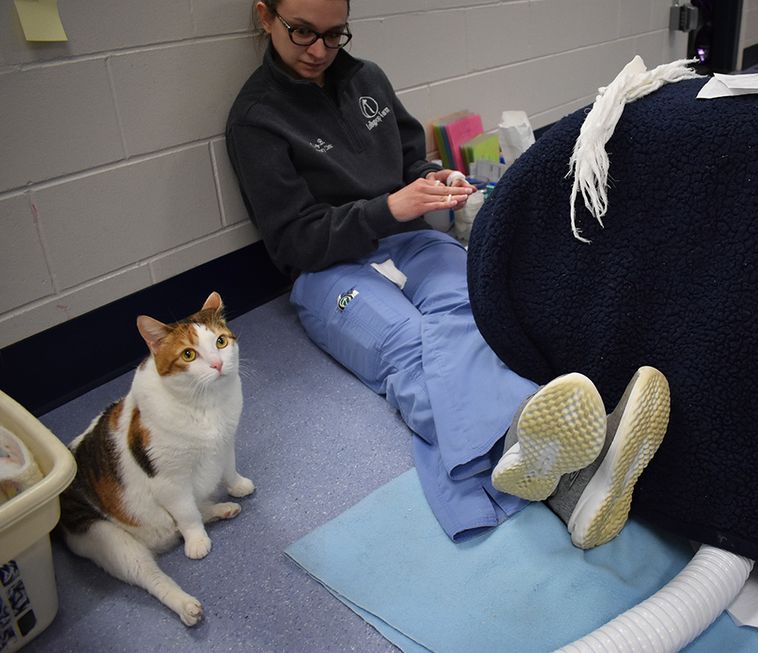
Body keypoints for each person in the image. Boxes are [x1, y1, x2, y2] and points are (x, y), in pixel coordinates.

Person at [226, 0, 670, 548]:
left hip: (407, 235)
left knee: (474, 310)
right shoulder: (256, 119)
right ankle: (559, 464)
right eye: (301, 33)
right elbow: (295, 238)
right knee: (408, 346)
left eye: (334, 34)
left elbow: (413, 161)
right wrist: (390, 208)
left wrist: (436, 181)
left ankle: (549, 454)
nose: (318, 50)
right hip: (325, 268)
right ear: (264, 16)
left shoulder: (367, 80)